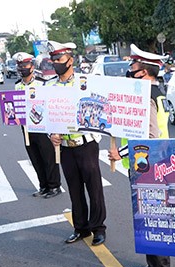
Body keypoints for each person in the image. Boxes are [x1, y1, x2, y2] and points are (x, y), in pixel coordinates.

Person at [108, 44, 172, 267]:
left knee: (154, 221)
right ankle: (153, 265)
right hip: (154, 165)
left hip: (149, 167)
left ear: (144, 72)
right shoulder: (156, 92)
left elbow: (149, 136)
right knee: (148, 220)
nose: (129, 70)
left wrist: (120, 153)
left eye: (133, 67)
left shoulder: (147, 97)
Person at [46, 41, 107, 246]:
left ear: (70, 60)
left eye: (59, 59)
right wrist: (50, 135)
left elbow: (100, 108)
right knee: (74, 189)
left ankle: (98, 228)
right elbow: (45, 117)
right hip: (64, 147)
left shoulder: (86, 82)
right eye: (53, 60)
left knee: (94, 188)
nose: (55, 63)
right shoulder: (49, 86)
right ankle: (80, 228)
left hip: (86, 144)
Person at [14, 52, 61, 199]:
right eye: (20, 66)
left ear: (32, 66)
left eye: (25, 65)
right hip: (26, 128)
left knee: (48, 157)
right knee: (35, 158)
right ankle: (43, 185)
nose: (22, 68)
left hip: (43, 127)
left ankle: (54, 186)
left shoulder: (42, 83)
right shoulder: (17, 85)